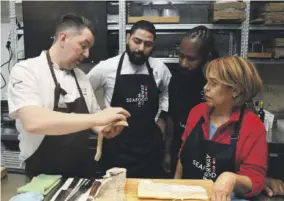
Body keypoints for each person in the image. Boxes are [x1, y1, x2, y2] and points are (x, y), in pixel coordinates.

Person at [7, 13, 130, 178]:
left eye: (89, 48)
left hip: (81, 170)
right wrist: (97, 119)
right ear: (63, 38)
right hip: (42, 173)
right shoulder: (26, 71)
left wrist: (104, 128)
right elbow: (33, 122)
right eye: (83, 45)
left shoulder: (81, 77)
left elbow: (93, 117)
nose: (87, 54)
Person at [175, 56, 267, 201]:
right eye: (207, 81)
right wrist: (175, 186)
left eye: (214, 83)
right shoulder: (197, 112)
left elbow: (256, 179)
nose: (206, 88)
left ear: (235, 91)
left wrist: (232, 178)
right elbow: (183, 154)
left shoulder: (252, 126)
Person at [87, 20, 172, 178]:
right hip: (115, 146)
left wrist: (161, 118)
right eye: (137, 41)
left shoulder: (160, 69)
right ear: (127, 37)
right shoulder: (106, 68)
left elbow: (167, 93)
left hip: (148, 148)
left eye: (147, 44)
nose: (140, 49)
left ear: (153, 45)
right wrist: (97, 117)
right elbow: (83, 92)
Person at [163, 26, 219, 175]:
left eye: (191, 59)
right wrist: (168, 152)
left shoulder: (215, 84)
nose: (183, 63)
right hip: (178, 147)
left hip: (207, 151)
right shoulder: (176, 80)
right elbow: (171, 118)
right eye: (181, 56)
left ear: (206, 58)